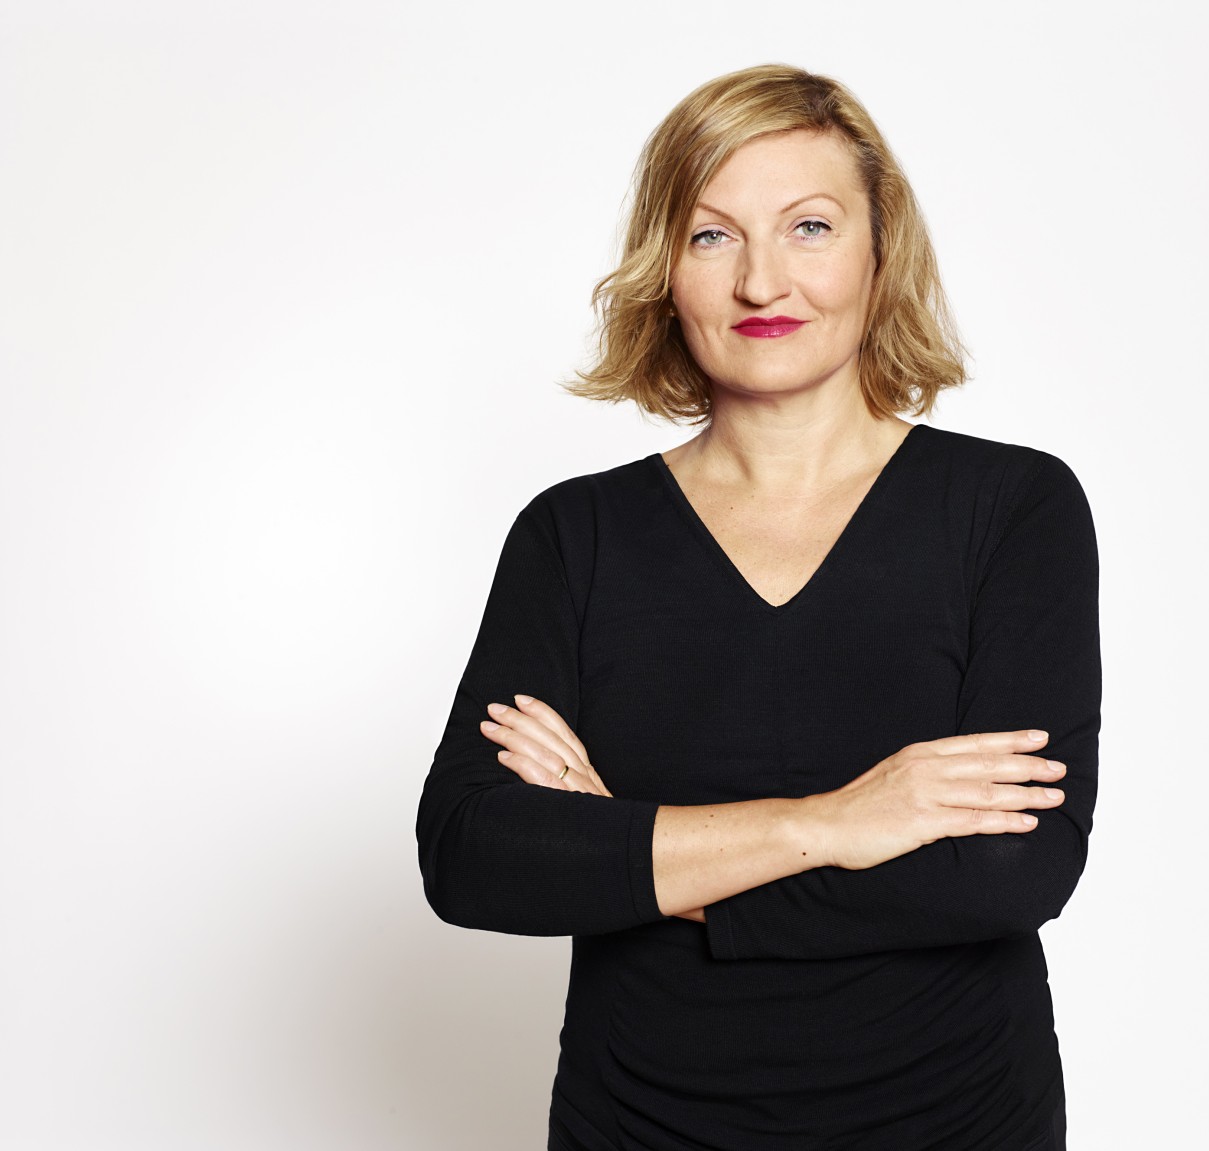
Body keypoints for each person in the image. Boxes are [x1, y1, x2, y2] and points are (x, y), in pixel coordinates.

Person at [416, 63, 1101, 1151]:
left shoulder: (1013, 508)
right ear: (664, 270)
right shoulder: (574, 535)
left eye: (810, 227)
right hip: (639, 1123)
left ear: (882, 253)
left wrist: (634, 852)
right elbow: (474, 854)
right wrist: (828, 822)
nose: (762, 282)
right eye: (712, 236)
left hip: (953, 1121)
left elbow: (1012, 869)